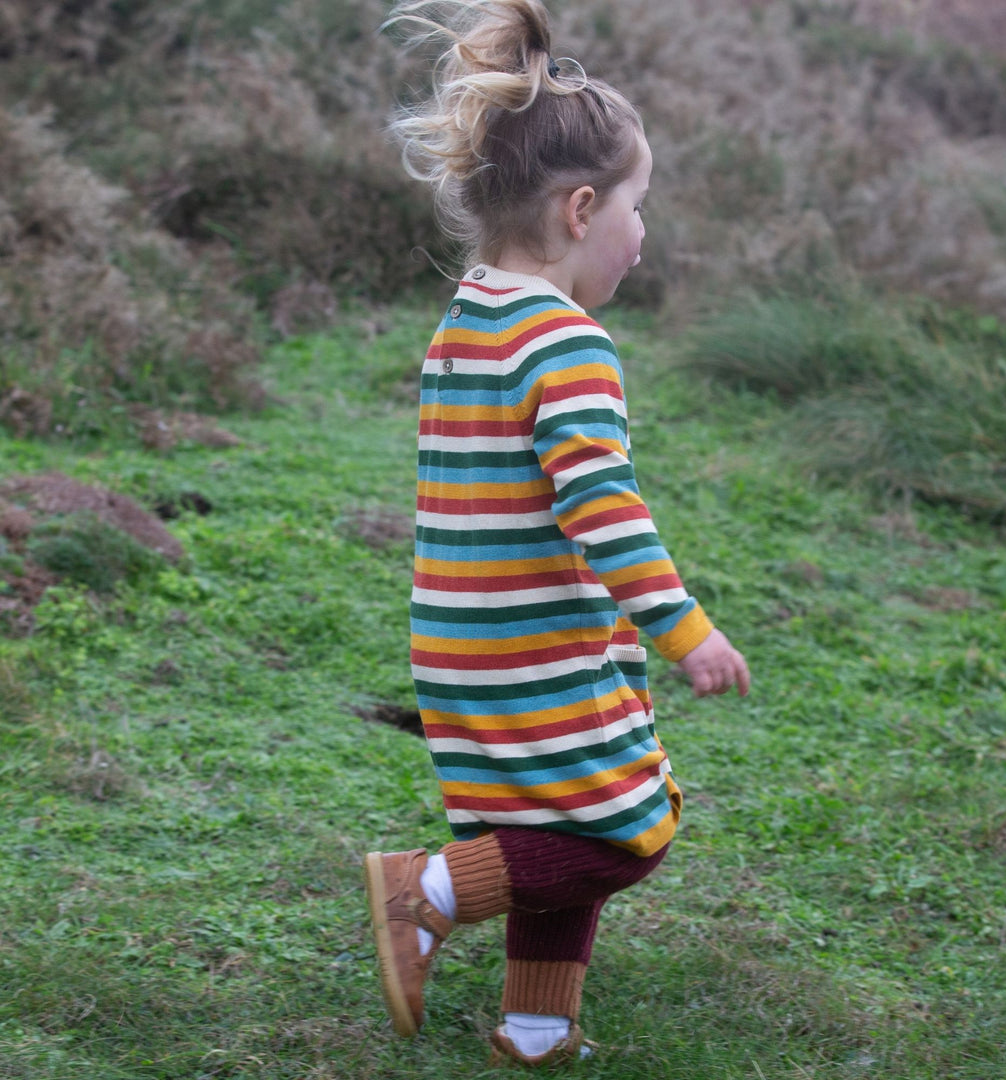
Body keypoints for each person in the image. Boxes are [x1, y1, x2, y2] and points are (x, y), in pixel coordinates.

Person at [366, 0, 750, 1065]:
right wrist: (686, 632)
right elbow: (603, 508)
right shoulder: (568, 342)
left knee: (546, 832)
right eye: (640, 207)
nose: (643, 233)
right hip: (537, 652)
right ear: (583, 210)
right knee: (626, 831)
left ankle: (536, 1027)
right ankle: (427, 890)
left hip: (463, 647)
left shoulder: (470, 318)